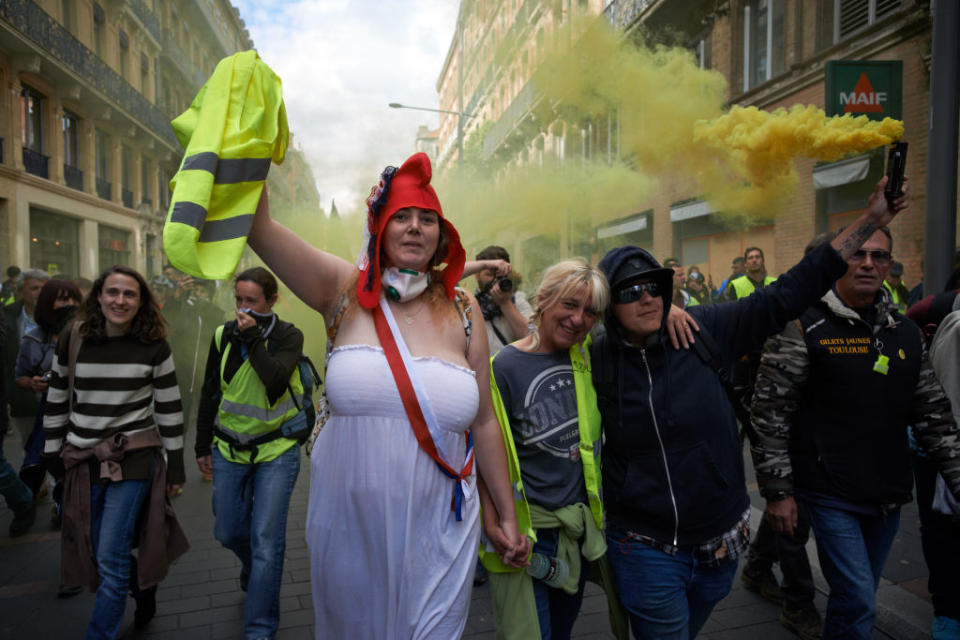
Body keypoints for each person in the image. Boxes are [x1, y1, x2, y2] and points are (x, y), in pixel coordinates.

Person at [592, 176, 909, 640]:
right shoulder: (594, 358)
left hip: (719, 538)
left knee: (695, 621)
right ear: (607, 306)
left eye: (653, 286)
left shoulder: (704, 329)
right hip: (643, 543)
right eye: (628, 291)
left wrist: (872, 221)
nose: (645, 297)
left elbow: (790, 291)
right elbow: (552, 325)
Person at [246, 152, 525, 638]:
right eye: (402, 217)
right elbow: (258, 227)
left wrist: (505, 515)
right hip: (350, 530)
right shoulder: (341, 290)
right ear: (379, 228)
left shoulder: (464, 310)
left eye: (427, 219)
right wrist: (247, 141)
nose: (415, 227)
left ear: (441, 234)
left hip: (442, 530)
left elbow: (482, 421)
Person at [750, 223, 960, 639]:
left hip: (888, 494)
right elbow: (769, 414)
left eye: (879, 255)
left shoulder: (905, 333)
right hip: (828, 493)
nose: (867, 263)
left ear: (888, 265)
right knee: (859, 599)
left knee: (855, 599)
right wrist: (778, 493)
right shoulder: (802, 325)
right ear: (836, 261)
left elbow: (933, 414)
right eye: (856, 254)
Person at [42, 265, 189, 639]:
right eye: (112, 292)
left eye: (129, 294)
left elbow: (170, 409)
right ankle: (142, 590)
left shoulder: (154, 344)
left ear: (141, 302)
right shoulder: (73, 337)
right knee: (93, 550)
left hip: (134, 460)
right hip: (82, 459)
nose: (120, 301)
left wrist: (176, 467)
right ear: (98, 296)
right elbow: (57, 396)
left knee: (109, 554)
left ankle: (100, 632)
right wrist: (51, 451)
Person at [484, 259, 622, 639]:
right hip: (526, 533)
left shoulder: (591, 355)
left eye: (590, 312)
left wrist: (670, 307)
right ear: (542, 300)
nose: (579, 319)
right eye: (569, 305)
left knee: (561, 631)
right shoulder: (503, 366)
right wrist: (492, 521)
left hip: (577, 532)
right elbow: (482, 454)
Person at [195, 267, 304, 640]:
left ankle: (260, 629)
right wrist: (200, 446)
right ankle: (253, 568)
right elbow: (211, 391)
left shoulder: (288, 335)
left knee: (267, 545)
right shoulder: (222, 335)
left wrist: (254, 338)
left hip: (276, 450)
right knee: (227, 530)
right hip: (228, 448)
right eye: (238, 300)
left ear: (272, 301)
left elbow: (274, 382)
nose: (243, 309)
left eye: (252, 301)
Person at [15, 280, 82, 525]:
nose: (70, 305)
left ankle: (66, 507)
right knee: (45, 460)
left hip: (85, 411)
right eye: (63, 299)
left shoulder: (91, 333)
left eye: (74, 299)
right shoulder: (34, 340)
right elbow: (19, 377)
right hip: (51, 411)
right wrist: (33, 383)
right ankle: (35, 506)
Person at [4, 269, 49, 444]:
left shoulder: (60, 317)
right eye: (34, 288)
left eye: (44, 289)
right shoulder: (7, 316)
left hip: (55, 397)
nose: (40, 293)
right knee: (30, 449)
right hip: (22, 398)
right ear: (21, 291)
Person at [467, 245, 534, 356]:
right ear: (476, 275)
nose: (495, 281)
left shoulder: (518, 301)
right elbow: (447, 277)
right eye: (489, 275)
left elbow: (531, 339)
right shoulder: (469, 305)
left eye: (500, 275)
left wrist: (505, 303)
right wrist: (483, 264)